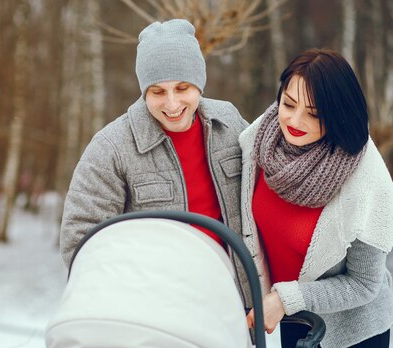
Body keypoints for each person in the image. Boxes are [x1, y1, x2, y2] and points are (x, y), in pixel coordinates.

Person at [242, 49, 393, 348]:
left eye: (314, 113)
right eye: (289, 103)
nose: (295, 120)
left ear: (338, 113)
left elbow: (365, 285)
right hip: (297, 323)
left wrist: (285, 299)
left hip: (354, 331)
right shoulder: (258, 141)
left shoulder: (364, 177)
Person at [59, 19, 253, 307]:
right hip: (157, 310)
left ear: (199, 83)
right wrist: (136, 299)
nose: (172, 104)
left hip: (232, 305)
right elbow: (82, 240)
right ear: (144, 92)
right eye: (158, 92)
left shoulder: (229, 122)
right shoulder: (111, 146)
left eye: (183, 87)